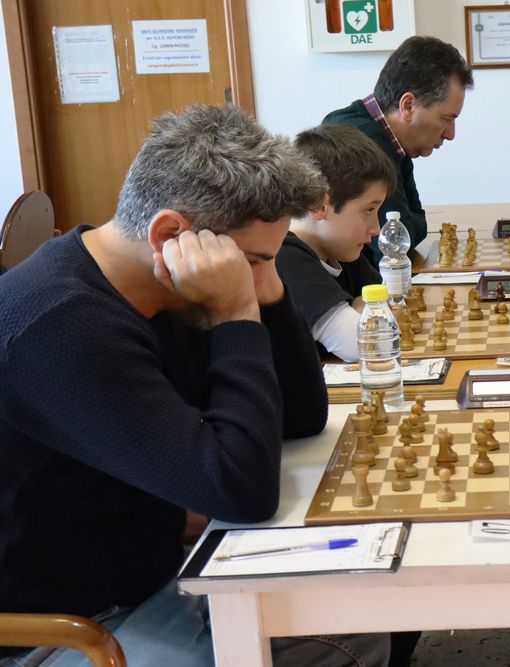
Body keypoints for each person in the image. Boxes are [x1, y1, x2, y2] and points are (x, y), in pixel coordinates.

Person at [0, 105, 392, 666]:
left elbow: (300, 417)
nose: (254, 277)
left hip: (152, 565)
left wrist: (267, 287)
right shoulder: (63, 326)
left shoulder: (159, 284)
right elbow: (242, 490)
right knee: (340, 647)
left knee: (363, 612)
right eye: (252, 259)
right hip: (66, 627)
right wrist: (235, 313)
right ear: (170, 235)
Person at [323, 35, 474, 263]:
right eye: (447, 118)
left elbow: (415, 225)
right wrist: (409, 225)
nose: (450, 134)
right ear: (408, 105)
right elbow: (392, 247)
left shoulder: (393, 141)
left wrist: (410, 225)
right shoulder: (366, 143)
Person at [277, 123, 397, 362]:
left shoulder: (340, 250)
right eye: (368, 210)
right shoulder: (287, 257)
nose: (376, 228)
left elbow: (387, 306)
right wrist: (360, 309)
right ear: (319, 205)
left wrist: (362, 311)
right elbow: (361, 345)